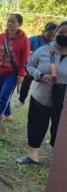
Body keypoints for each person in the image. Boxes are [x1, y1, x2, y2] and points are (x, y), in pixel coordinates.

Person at [16, 21, 67, 164]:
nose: (64, 36)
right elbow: (29, 65)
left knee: (60, 128)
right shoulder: (44, 51)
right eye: (61, 32)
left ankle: (56, 155)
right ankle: (33, 155)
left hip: (63, 102)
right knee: (36, 125)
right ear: (55, 34)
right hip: (40, 97)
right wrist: (40, 75)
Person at [0, 13, 31, 131]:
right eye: (9, 21)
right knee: (0, 95)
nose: (10, 23)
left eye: (13, 21)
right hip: (0, 72)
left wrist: (22, 75)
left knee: (3, 97)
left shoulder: (24, 40)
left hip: (12, 74)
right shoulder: (1, 37)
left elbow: (25, 59)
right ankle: (8, 114)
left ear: (20, 24)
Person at [15, 22, 57, 107]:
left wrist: (53, 72)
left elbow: (53, 60)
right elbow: (25, 53)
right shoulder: (33, 39)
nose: (51, 38)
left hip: (45, 70)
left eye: (53, 36)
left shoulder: (54, 45)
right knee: (25, 85)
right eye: (49, 35)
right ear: (44, 31)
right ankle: (21, 100)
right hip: (32, 68)